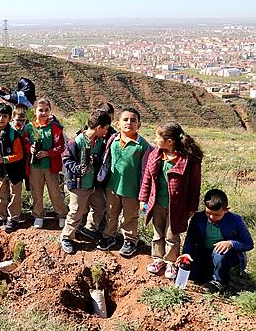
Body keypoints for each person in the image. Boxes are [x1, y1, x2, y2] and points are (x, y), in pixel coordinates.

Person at [139, 122, 203, 278]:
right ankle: (157, 259)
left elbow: (195, 186)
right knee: (157, 233)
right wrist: (143, 199)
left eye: (158, 136)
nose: (155, 139)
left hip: (177, 207)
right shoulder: (155, 154)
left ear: (170, 141)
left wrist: (191, 208)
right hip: (158, 203)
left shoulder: (188, 160)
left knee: (172, 235)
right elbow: (147, 178)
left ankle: (170, 263)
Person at [96, 107, 152, 257]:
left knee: (130, 216)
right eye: (125, 119)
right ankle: (109, 236)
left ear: (139, 125)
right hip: (113, 187)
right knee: (111, 214)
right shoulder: (112, 140)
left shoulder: (142, 145)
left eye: (133, 120)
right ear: (118, 123)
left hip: (132, 189)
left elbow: (148, 169)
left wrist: (144, 193)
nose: (129, 123)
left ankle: (130, 240)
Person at [177, 189, 253, 292]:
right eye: (208, 213)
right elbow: (190, 239)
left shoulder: (235, 220)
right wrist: (186, 253)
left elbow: (248, 243)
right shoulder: (198, 218)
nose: (212, 217)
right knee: (190, 273)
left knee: (220, 252)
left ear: (226, 210)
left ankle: (220, 282)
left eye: (217, 215)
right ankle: (206, 275)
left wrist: (231, 243)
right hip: (203, 253)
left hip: (225, 257)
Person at [60, 110, 112, 254]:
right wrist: (78, 168)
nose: (107, 132)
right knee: (76, 212)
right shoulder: (76, 142)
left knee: (100, 206)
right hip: (79, 185)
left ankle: (89, 228)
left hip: (93, 184)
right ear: (99, 127)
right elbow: (66, 159)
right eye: (106, 128)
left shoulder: (100, 142)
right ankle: (66, 237)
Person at [28, 99, 68, 229]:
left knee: (55, 193)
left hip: (51, 167)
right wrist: (30, 148)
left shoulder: (55, 128)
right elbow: (23, 142)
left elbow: (61, 146)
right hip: (35, 167)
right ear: (35, 112)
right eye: (40, 110)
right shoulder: (30, 127)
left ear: (50, 111)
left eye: (46, 110)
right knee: (37, 192)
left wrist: (48, 153)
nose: (43, 113)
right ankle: (39, 215)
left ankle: (62, 215)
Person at [79, 101, 116, 239]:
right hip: (86, 174)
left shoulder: (112, 134)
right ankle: (80, 225)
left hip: (101, 174)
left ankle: (95, 227)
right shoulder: (85, 131)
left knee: (101, 204)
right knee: (83, 204)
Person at [0, 103, 25, 233]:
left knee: (15, 194)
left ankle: (13, 218)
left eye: (4, 116)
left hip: (15, 170)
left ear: (9, 118)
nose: (1, 119)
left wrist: (3, 159)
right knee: (1, 193)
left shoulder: (13, 135)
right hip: (0, 170)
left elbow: (19, 155)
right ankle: (0, 216)